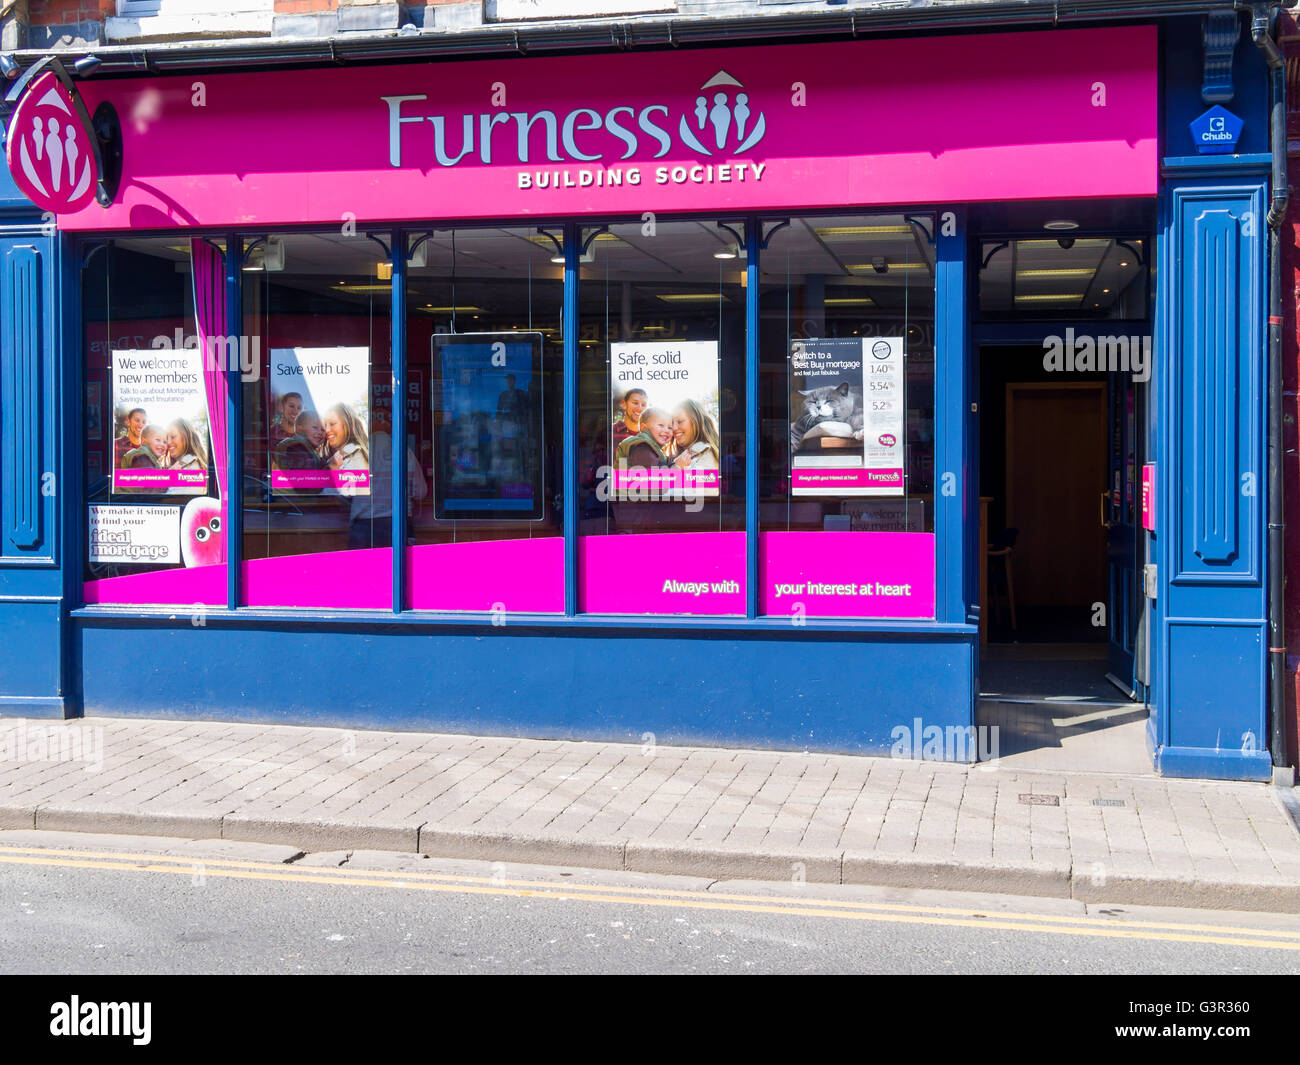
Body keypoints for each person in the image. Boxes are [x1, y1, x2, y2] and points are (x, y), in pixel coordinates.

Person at [348, 412, 427, 549]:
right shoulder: (404, 453)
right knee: (399, 569)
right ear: (389, 427)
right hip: (399, 523)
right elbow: (421, 492)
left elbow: (345, 492)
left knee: (362, 569)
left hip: (363, 527)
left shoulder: (357, 454)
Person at [323, 402, 370, 496]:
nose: (327, 430)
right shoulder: (340, 455)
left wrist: (333, 470)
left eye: (332, 423)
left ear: (348, 424)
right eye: (325, 425)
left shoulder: (356, 457)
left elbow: (344, 499)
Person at [668, 399, 721, 471]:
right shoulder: (678, 455)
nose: (674, 428)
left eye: (680, 421)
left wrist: (676, 468)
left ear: (697, 422)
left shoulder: (707, 456)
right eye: (672, 423)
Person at [272, 409, 326, 475]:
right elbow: (307, 475)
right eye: (315, 427)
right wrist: (330, 466)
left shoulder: (307, 448)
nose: (320, 432)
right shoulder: (296, 448)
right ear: (299, 429)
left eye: (323, 429)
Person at [163, 418, 208, 494]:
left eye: (173, 436)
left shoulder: (191, 466)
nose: (168, 442)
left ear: (186, 437)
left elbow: (169, 501)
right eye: (166, 438)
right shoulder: (179, 465)